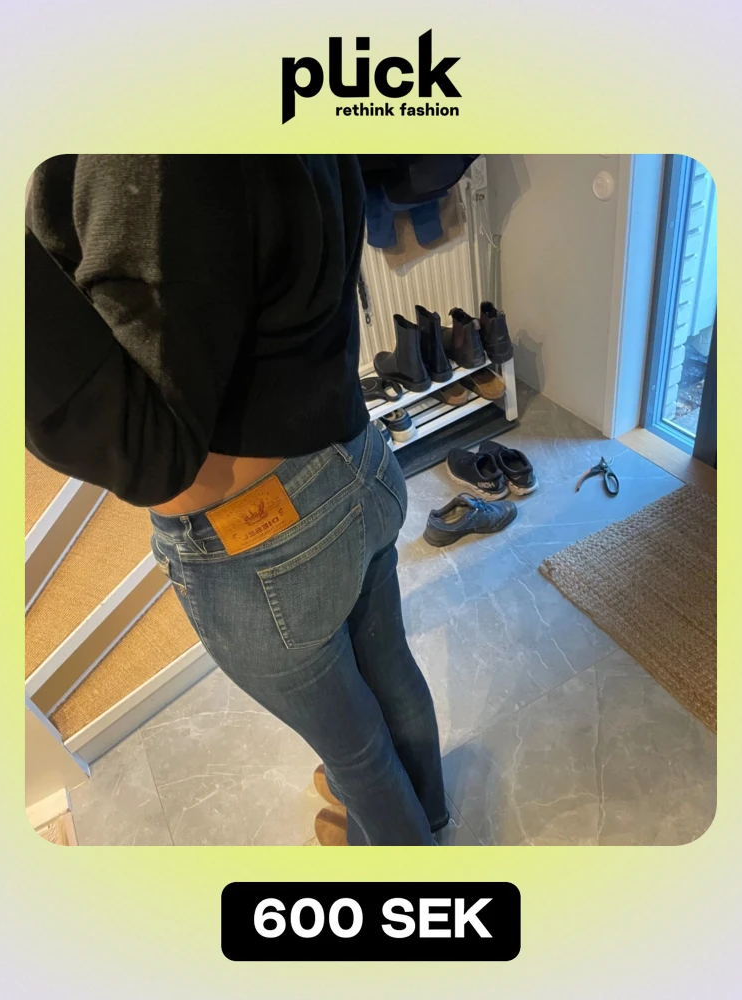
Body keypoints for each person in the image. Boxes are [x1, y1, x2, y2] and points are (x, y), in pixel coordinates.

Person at [25, 154, 467, 845]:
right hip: (357, 458)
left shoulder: (144, 152)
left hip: (264, 541)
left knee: (356, 750)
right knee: (390, 670)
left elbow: (149, 452)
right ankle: (428, 815)